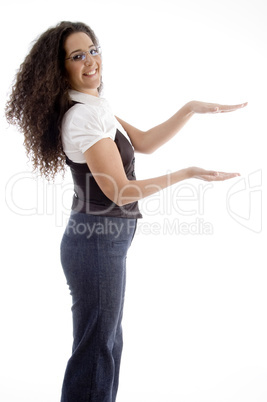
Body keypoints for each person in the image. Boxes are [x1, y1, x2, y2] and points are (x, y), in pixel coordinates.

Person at [5, 20, 247, 402]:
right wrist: (187, 173)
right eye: (77, 56)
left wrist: (190, 109)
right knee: (97, 350)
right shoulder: (83, 117)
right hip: (96, 241)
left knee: (107, 343)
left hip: (104, 241)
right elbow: (119, 191)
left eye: (94, 50)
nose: (91, 61)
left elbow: (145, 142)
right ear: (60, 68)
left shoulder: (95, 106)